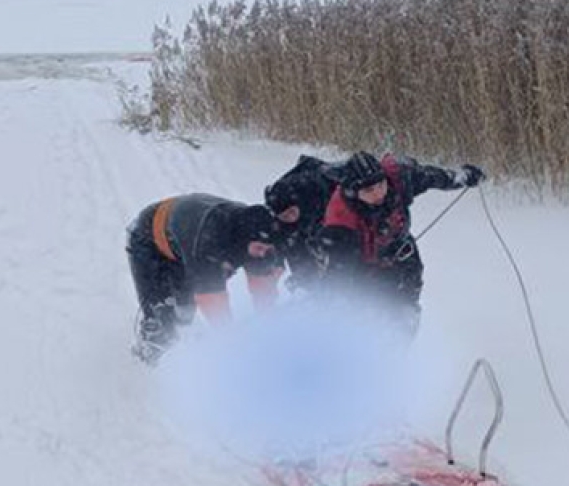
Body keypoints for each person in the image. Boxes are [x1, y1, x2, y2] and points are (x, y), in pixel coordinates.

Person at [315, 151, 483, 333]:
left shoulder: (398, 178)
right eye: (369, 191)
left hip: (403, 256)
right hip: (364, 271)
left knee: (403, 317)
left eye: (381, 185)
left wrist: (463, 177)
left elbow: (433, 177)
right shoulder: (341, 222)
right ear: (355, 193)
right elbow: (340, 277)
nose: (378, 193)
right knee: (364, 316)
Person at [125, 193, 282, 364]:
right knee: (163, 318)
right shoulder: (211, 239)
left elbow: (263, 289)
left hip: (184, 241)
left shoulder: (260, 234)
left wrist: (267, 325)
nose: (262, 254)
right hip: (150, 239)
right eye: (259, 248)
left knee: (185, 312)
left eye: (267, 249)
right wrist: (234, 342)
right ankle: (147, 360)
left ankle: (185, 351)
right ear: (243, 240)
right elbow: (212, 300)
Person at [263, 154, 337, 293]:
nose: (291, 217)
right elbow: (289, 249)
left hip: (328, 204)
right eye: (285, 216)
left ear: (298, 204)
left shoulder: (314, 192)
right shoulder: (280, 223)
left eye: (292, 212)